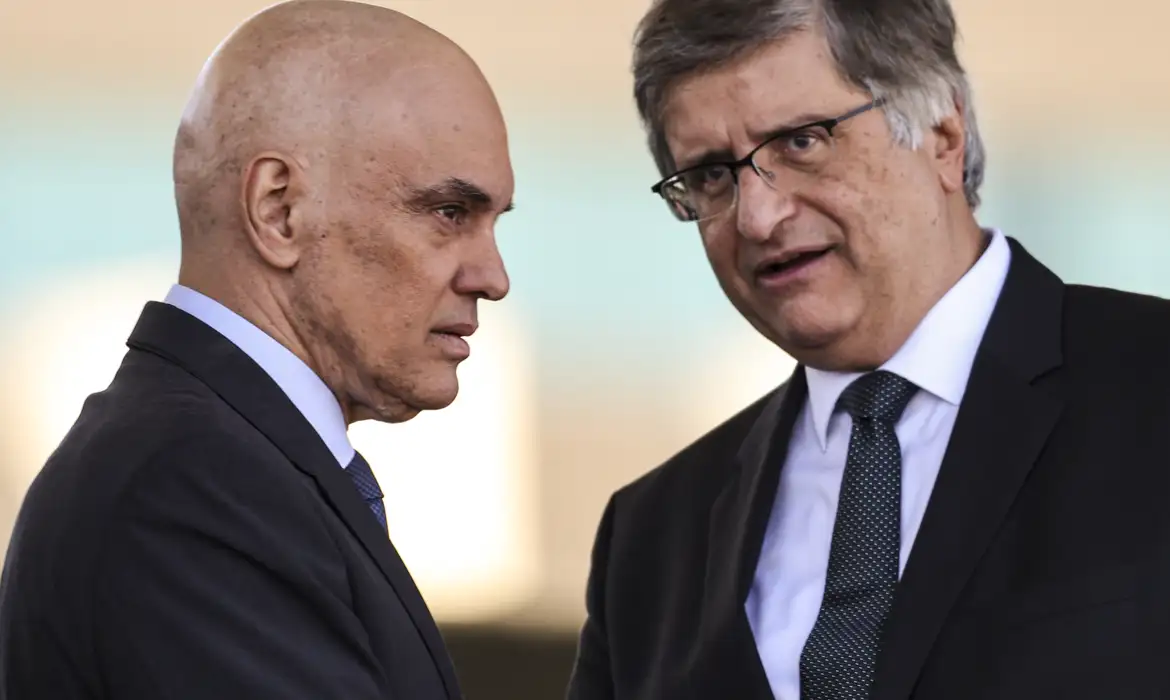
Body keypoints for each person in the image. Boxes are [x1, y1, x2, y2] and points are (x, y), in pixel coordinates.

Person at [567, 0, 1170, 698]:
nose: (758, 216)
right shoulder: (651, 539)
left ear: (943, 135)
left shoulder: (1151, 387)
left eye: (801, 142)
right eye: (710, 175)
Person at [0, 1, 514, 698]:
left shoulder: (214, 463)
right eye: (449, 213)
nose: (493, 278)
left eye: (493, 222)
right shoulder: (190, 487)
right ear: (279, 210)